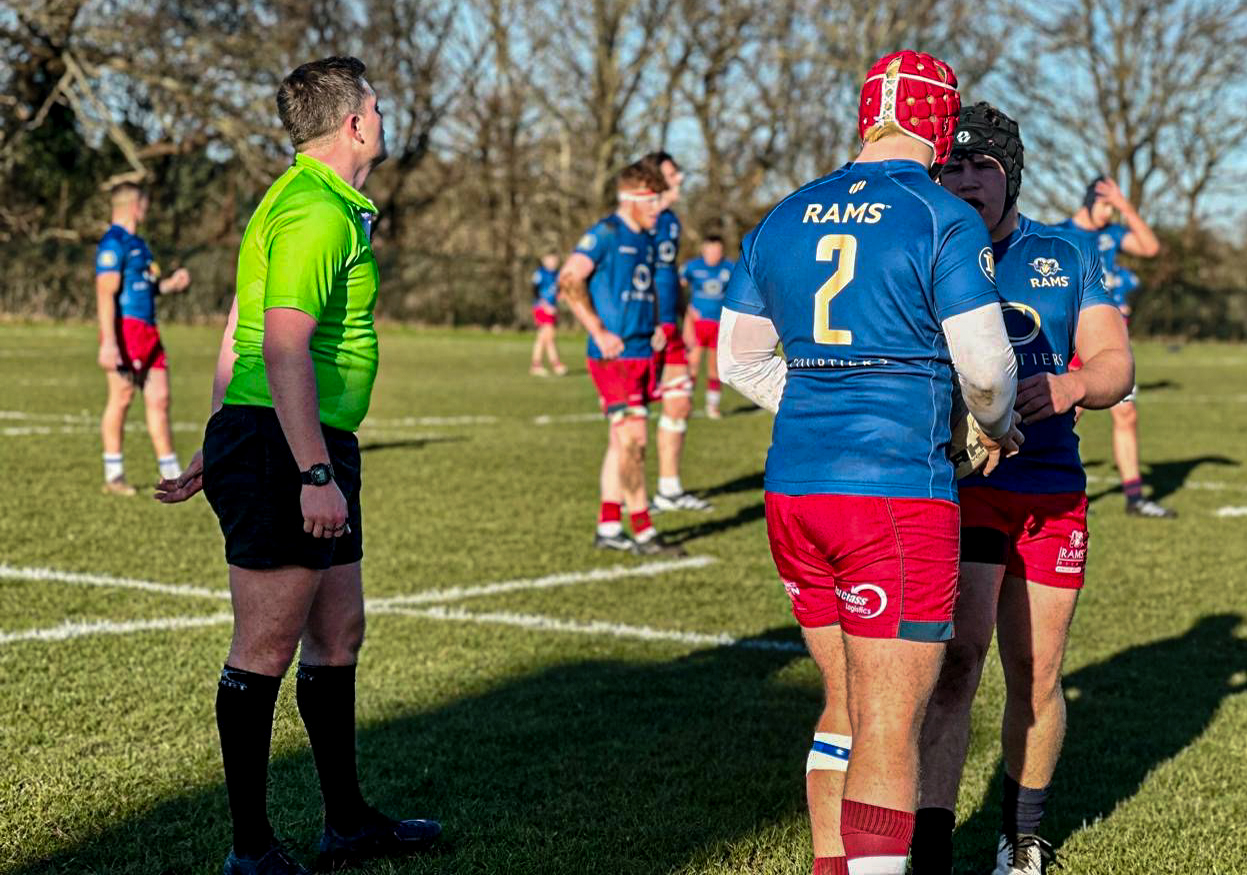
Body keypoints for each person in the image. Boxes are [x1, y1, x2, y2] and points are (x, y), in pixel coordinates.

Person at [719, 51, 1021, 875]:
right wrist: (992, 426)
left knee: (844, 705)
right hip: (891, 494)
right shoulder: (938, 214)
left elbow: (736, 359)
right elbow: (987, 371)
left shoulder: (784, 213)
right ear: (939, 123)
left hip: (793, 489)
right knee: (889, 724)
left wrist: (824, 401)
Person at [154, 56, 439, 875]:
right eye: (376, 107)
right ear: (352, 122)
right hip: (287, 446)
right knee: (265, 645)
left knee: (338, 632)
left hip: (291, 438)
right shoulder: (315, 210)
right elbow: (279, 345)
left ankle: (344, 823)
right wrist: (312, 472)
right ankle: (250, 850)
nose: (382, 118)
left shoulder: (314, 200)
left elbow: (236, 325)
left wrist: (217, 432)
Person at [910, 103, 1134, 875]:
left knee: (1035, 673)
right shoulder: (923, 249)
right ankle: (930, 844)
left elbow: (1113, 361)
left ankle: (1022, 833)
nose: (966, 179)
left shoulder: (1065, 252)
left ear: (1010, 176)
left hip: (1049, 493)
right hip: (964, 488)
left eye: (983, 166)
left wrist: (1072, 384)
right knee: (958, 660)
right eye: (952, 166)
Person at [559, 160, 684, 555]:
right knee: (634, 441)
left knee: (621, 442)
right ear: (631, 199)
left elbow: (647, 287)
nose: (658, 209)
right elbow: (569, 279)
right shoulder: (606, 234)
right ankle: (643, 530)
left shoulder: (647, 238)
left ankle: (610, 526)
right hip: (615, 359)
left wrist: (658, 324)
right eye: (652, 201)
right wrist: (598, 331)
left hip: (642, 353)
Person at [1056, 177, 1170, 517]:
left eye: (1113, 207)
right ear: (1090, 201)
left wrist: (1125, 206)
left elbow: (1150, 248)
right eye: (1106, 205)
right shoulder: (1059, 234)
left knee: (1126, 412)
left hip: (1111, 340)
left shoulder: (1112, 234)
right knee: (1066, 415)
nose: (1110, 213)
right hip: (1076, 337)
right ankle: (1055, 493)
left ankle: (1135, 498)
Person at [94, 181, 191, 495]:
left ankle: (172, 474)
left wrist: (170, 285)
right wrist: (109, 343)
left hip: (149, 330)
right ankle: (114, 476)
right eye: (145, 204)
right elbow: (105, 293)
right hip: (126, 331)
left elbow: (145, 288)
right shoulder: (114, 243)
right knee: (121, 397)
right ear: (136, 206)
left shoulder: (139, 244)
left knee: (160, 398)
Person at [642, 151, 711, 512]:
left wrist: (686, 316)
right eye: (672, 174)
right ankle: (629, 500)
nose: (680, 178)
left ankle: (669, 490)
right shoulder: (639, 222)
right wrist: (646, 319)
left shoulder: (670, 220)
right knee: (632, 418)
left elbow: (670, 276)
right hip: (643, 328)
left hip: (671, 327)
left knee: (680, 403)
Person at [681, 234, 735, 419]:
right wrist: (687, 310)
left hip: (719, 324)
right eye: (711, 251)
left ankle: (712, 407)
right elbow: (678, 289)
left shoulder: (729, 268)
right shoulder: (692, 267)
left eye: (718, 251)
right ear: (704, 250)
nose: (714, 255)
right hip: (697, 324)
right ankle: (685, 404)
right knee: (693, 364)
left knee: (714, 367)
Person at [530, 252, 567, 376]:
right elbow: (534, 291)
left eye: (555, 259)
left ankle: (538, 365)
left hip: (551, 308)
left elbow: (558, 291)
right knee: (549, 335)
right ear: (544, 260)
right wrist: (545, 306)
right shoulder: (540, 273)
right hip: (541, 308)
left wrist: (561, 296)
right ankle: (555, 364)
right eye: (550, 259)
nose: (553, 262)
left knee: (544, 338)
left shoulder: (557, 274)